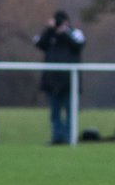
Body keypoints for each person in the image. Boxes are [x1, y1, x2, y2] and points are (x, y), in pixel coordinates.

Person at [35, 10, 85, 144]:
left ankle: (70, 138)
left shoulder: (75, 33)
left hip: (69, 82)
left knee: (70, 112)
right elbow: (39, 44)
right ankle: (57, 138)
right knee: (54, 114)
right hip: (51, 82)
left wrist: (64, 32)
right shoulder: (49, 35)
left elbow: (78, 45)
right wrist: (49, 30)